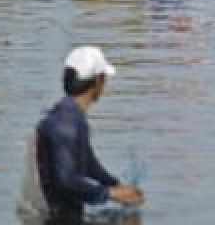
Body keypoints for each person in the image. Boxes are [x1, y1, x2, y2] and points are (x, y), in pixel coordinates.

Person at [33, 46, 144, 222]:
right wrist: (110, 194)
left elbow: (88, 164)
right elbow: (66, 180)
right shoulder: (67, 124)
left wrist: (115, 184)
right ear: (98, 81)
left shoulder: (68, 115)